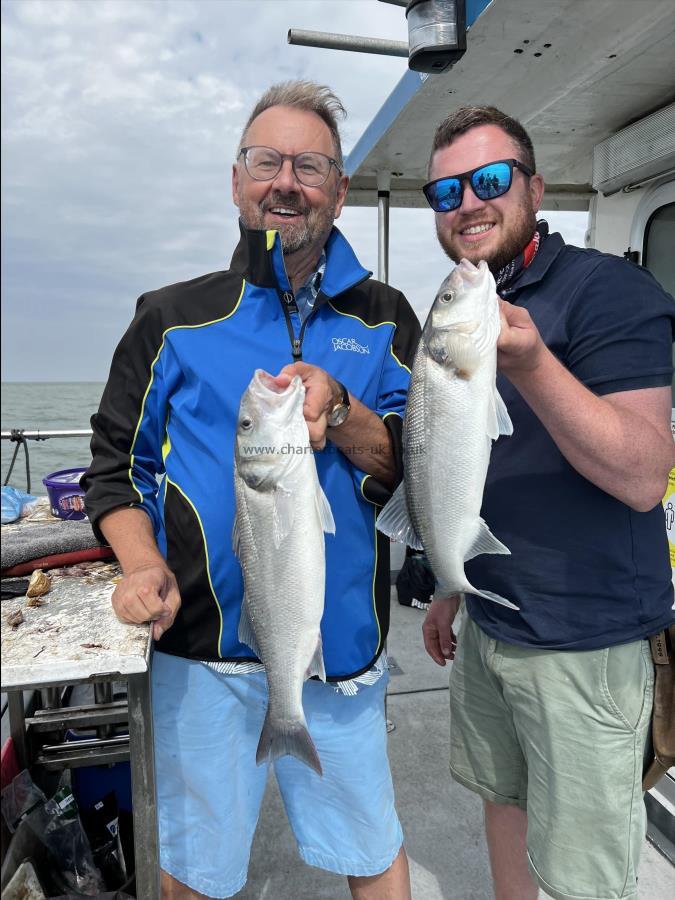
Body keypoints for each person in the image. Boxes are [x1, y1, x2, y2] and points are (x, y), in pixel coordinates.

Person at [82, 81, 420, 900]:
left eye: (310, 165)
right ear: (236, 180)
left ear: (339, 190)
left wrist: (342, 413)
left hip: (341, 657)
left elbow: (416, 464)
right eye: (266, 160)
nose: (286, 181)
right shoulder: (169, 318)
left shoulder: (385, 318)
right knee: (193, 871)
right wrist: (140, 564)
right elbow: (116, 467)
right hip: (201, 655)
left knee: (372, 853)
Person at [420, 106, 675, 900]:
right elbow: (459, 464)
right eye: (445, 190)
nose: (468, 202)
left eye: (489, 180)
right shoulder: (468, 296)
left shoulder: (610, 292)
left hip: (583, 643)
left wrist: (530, 364)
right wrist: (446, 587)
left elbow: (642, 474)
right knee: (503, 798)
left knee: (583, 871)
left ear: (533, 188)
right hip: (490, 618)